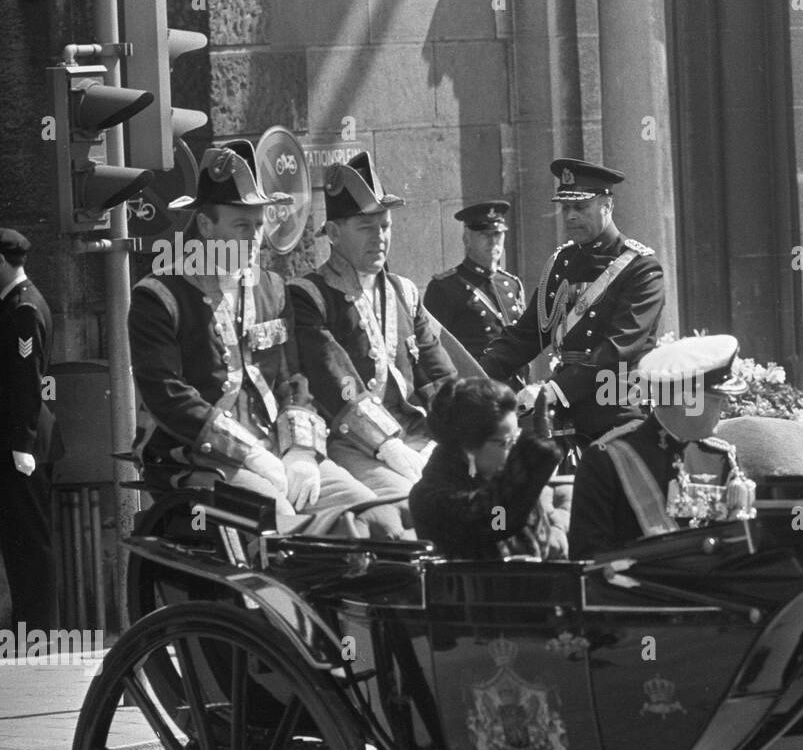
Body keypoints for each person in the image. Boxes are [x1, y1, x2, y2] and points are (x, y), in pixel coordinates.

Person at [129, 141, 403, 538]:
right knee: (288, 528)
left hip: (278, 449)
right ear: (207, 227)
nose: (256, 238)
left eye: (259, 225)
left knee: (377, 521)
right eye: (242, 226)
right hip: (197, 458)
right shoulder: (159, 296)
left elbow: (293, 381)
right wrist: (252, 455)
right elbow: (168, 397)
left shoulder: (272, 287)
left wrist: (302, 452)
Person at [289, 152, 460, 512]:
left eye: (385, 226)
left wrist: (458, 431)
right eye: (366, 228)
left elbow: (438, 376)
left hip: (420, 439)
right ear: (333, 233)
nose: (380, 237)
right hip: (353, 443)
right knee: (407, 512)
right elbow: (336, 380)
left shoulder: (403, 291)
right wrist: (389, 445)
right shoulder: (310, 295)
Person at [477, 158, 665, 445]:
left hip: (617, 409)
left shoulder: (641, 269)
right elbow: (526, 336)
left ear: (607, 205)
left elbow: (617, 350)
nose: (570, 217)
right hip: (565, 410)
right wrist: (475, 374)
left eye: (580, 207)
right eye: (565, 208)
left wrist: (551, 390)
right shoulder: (561, 263)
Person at [568, 334, 756, 559]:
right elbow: (589, 558)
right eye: (718, 398)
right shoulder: (606, 460)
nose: (726, 406)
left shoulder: (721, 457)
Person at [409, 378, 566, 560]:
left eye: (516, 439)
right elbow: (493, 520)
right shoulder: (430, 497)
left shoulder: (506, 486)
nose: (513, 450)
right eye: (505, 442)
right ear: (469, 447)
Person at [0, 228, 62, 628]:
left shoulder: (24, 309)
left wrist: (22, 444)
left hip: (24, 443)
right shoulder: (13, 303)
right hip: (14, 439)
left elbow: (27, 378)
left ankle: (39, 631)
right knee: (17, 539)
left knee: (30, 541)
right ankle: (27, 626)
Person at [424, 201, 527, 389]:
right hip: (474, 389)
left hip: (514, 388)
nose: (493, 241)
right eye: (484, 235)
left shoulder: (512, 284)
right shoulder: (445, 287)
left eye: (498, 234)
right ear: (467, 239)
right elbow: (433, 350)